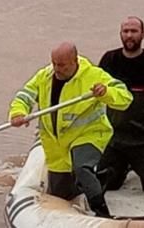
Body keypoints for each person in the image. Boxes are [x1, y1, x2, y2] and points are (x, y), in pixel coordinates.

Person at [9, 42, 132, 218]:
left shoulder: (93, 75)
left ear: (74, 61)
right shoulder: (44, 76)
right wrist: (18, 112)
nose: (56, 69)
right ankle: (99, 180)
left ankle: (102, 212)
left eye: (62, 65)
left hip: (89, 135)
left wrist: (105, 92)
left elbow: (124, 97)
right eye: (54, 64)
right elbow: (25, 95)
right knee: (62, 193)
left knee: (81, 166)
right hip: (57, 146)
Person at [97, 16, 144, 194]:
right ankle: (125, 166)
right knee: (108, 185)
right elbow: (95, 97)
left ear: (143, 34)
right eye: (125, 31)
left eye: (134, 31)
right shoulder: (109, 60)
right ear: (120, 34)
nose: (129, 35)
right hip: (115, 138)